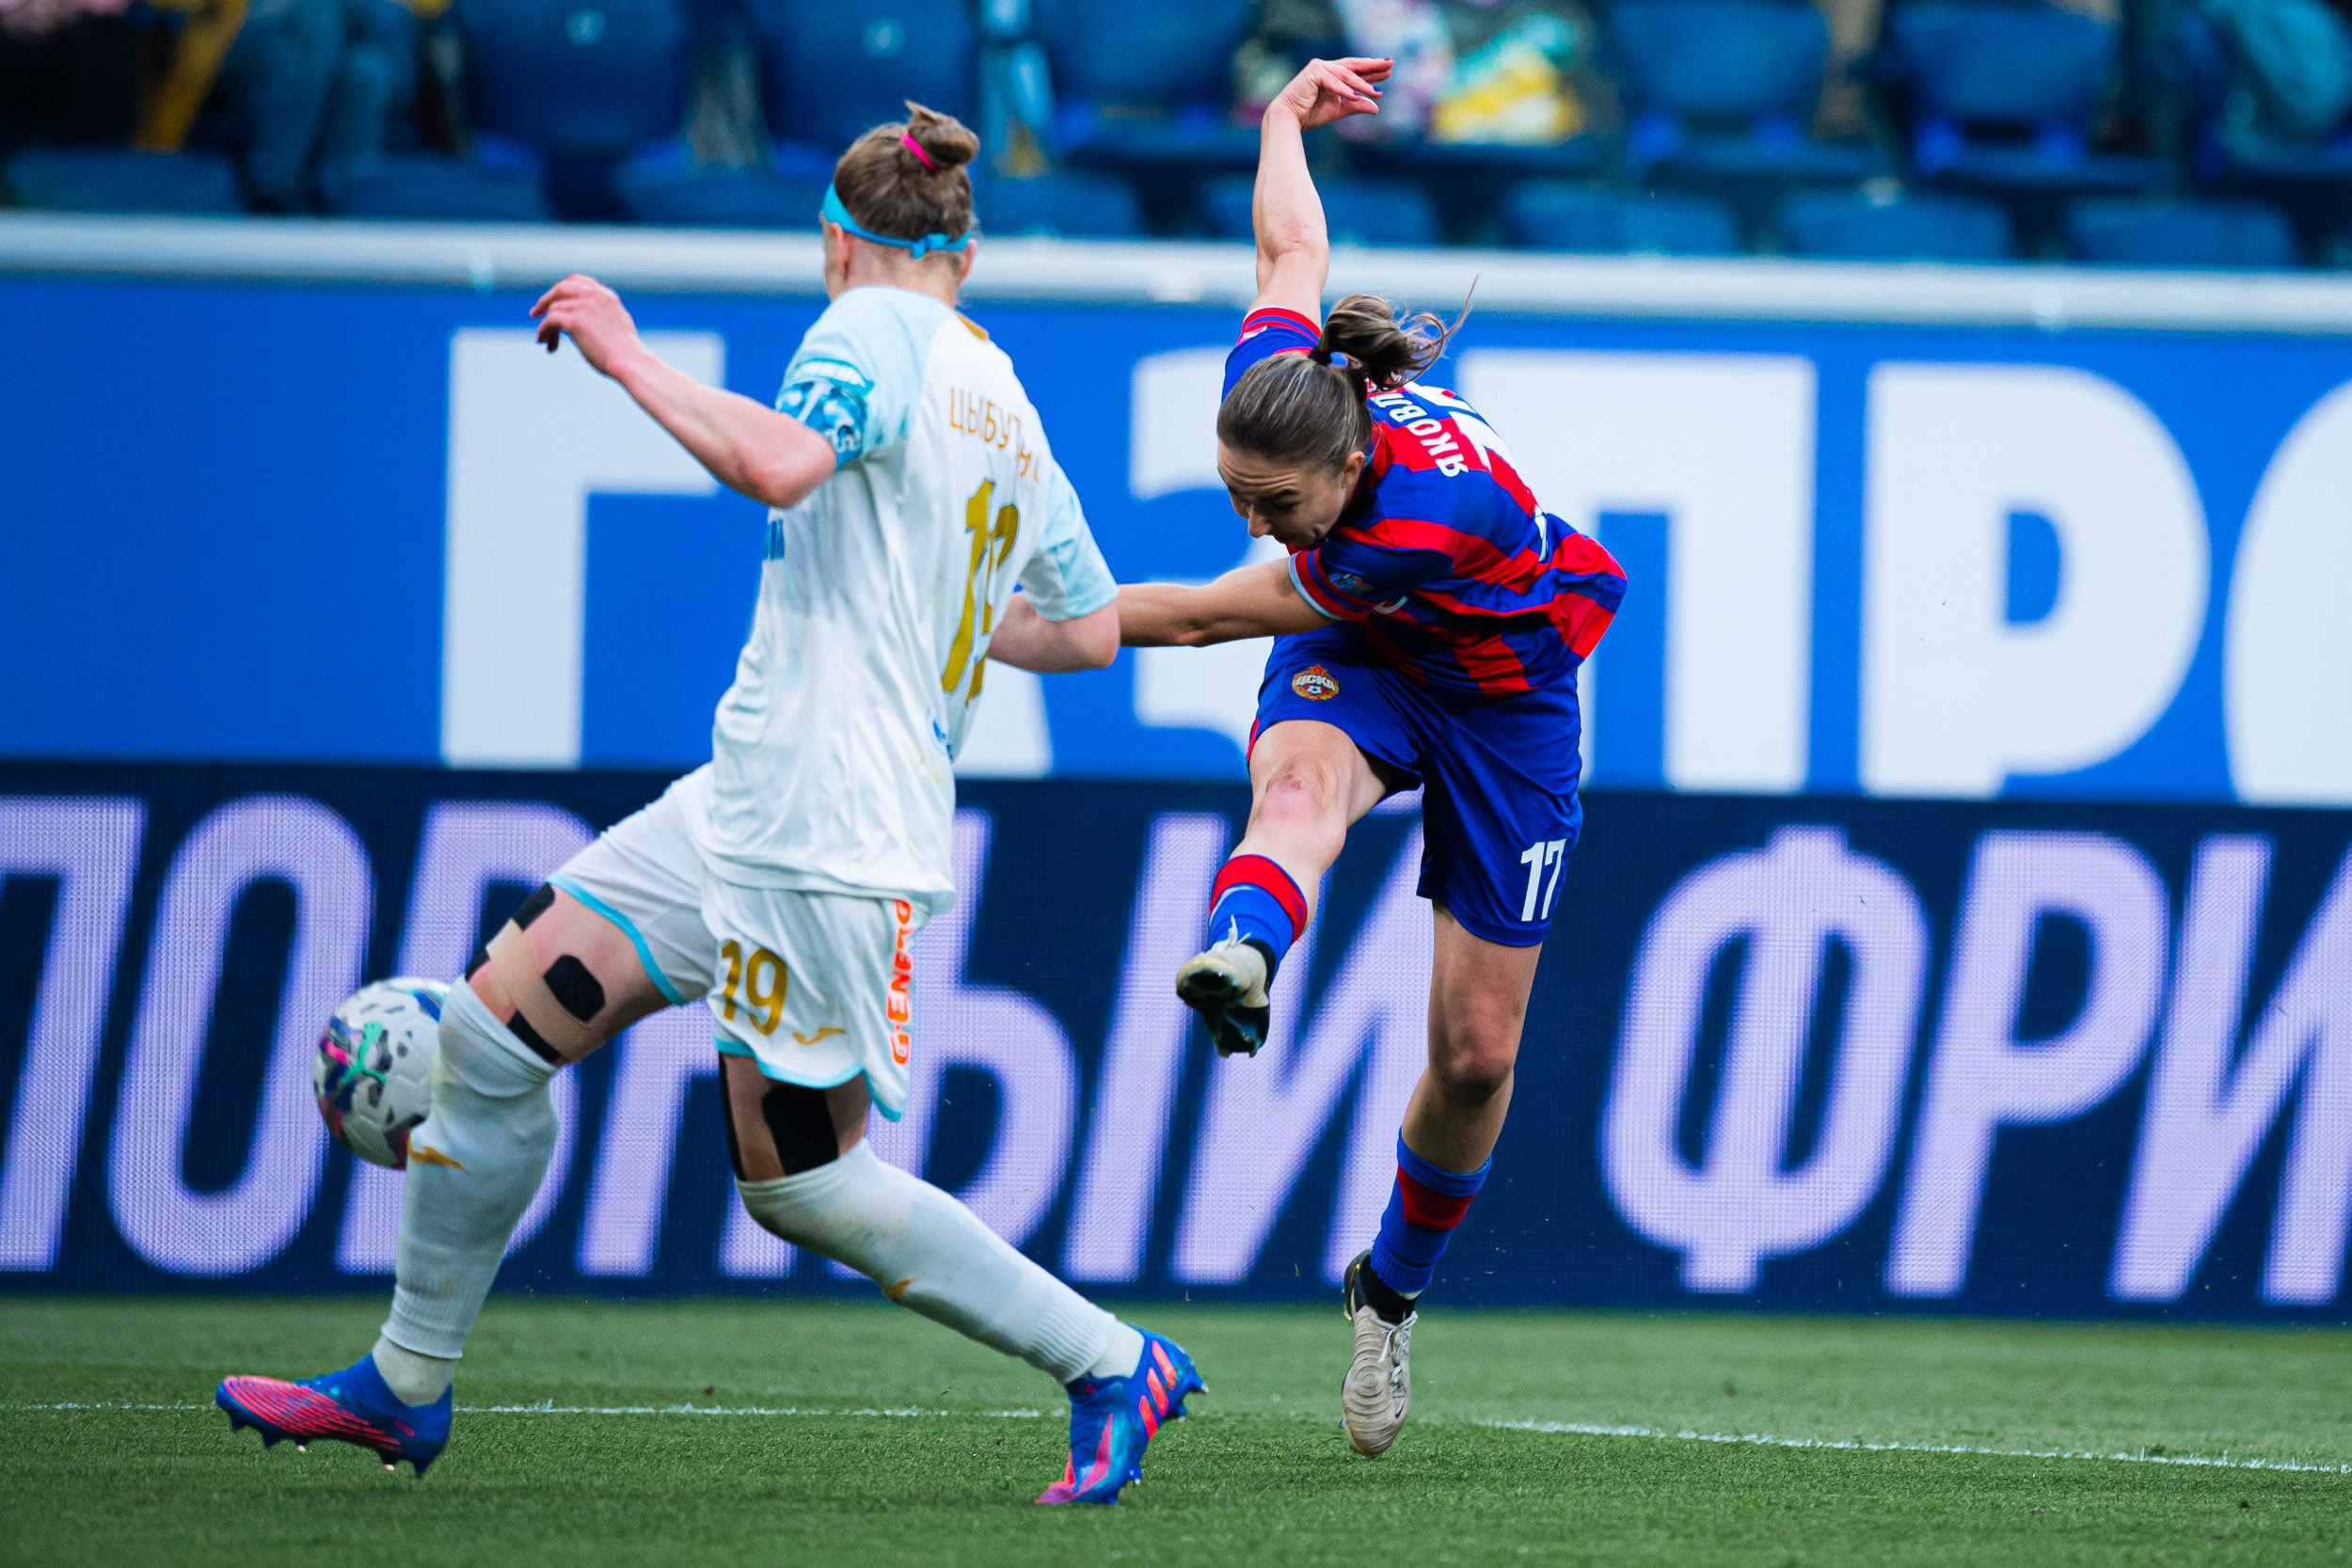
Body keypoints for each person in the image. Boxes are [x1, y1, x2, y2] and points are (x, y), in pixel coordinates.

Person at [215, 103, 1203, 1506]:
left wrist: (626, 358)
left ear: (837, 245)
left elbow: (778, 465)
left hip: (823, 829)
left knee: (799, 1183)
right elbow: (1090, 628)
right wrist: (930, 619)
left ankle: (1112, 1361)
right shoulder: (1007, 395)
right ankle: (403, 1387)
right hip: (748, 798)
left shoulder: (862, 331)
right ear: (963, 253)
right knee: (493, 1033)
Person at [1115, 56, 1625, 1458]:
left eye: (1275, 503)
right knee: (1297, 785)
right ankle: (1242, 948)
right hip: (1376, 667)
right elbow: (1290, 246)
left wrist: (1036, 625)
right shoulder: (1285, 402)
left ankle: (1386, 1298)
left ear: (1344, 482)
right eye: (1238, 495)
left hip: (1507, 701)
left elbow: (1216, 612)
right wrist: (1280, 121)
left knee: (1474, 1051)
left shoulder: (1409, 525)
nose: (1258, 516)